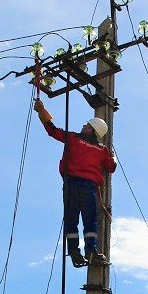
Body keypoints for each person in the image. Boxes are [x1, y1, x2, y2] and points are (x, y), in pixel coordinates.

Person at [34, 98, 116, 267]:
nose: (84, 126)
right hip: (90, 187)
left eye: (87, 125)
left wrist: (41, 112)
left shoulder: (74, 138)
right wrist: (112, 156)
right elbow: (111, 167)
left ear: (92, 130)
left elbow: (52, 131)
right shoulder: (102, 150)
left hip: (72, 184)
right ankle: (91, 251)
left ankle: (74, 252)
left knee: (72, 218)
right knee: (90, 219)